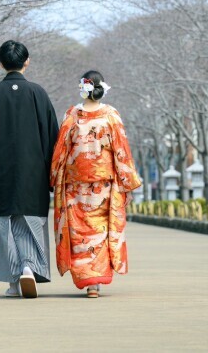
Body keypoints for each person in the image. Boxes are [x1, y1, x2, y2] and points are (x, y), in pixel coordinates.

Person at [0, 40, 59, 298]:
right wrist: (51, 170)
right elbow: (52, 136)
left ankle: (13, 280)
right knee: (30, 220)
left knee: (5, 222)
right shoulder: (38, 93)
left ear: (0, 63)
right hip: (34, 172)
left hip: (0, 170)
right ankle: (29, 267)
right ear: (26, 61)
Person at [50, 70, 142, 298]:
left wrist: (53, 178)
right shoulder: (111, 115)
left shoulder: (71, 115)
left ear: (82, 87)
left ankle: (87, 278)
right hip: (105, 186)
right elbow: (122, 151)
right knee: (100, 232)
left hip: (75, 187)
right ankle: (95, 283)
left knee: (79, 232)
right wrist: (127, 183)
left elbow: (60, 151)